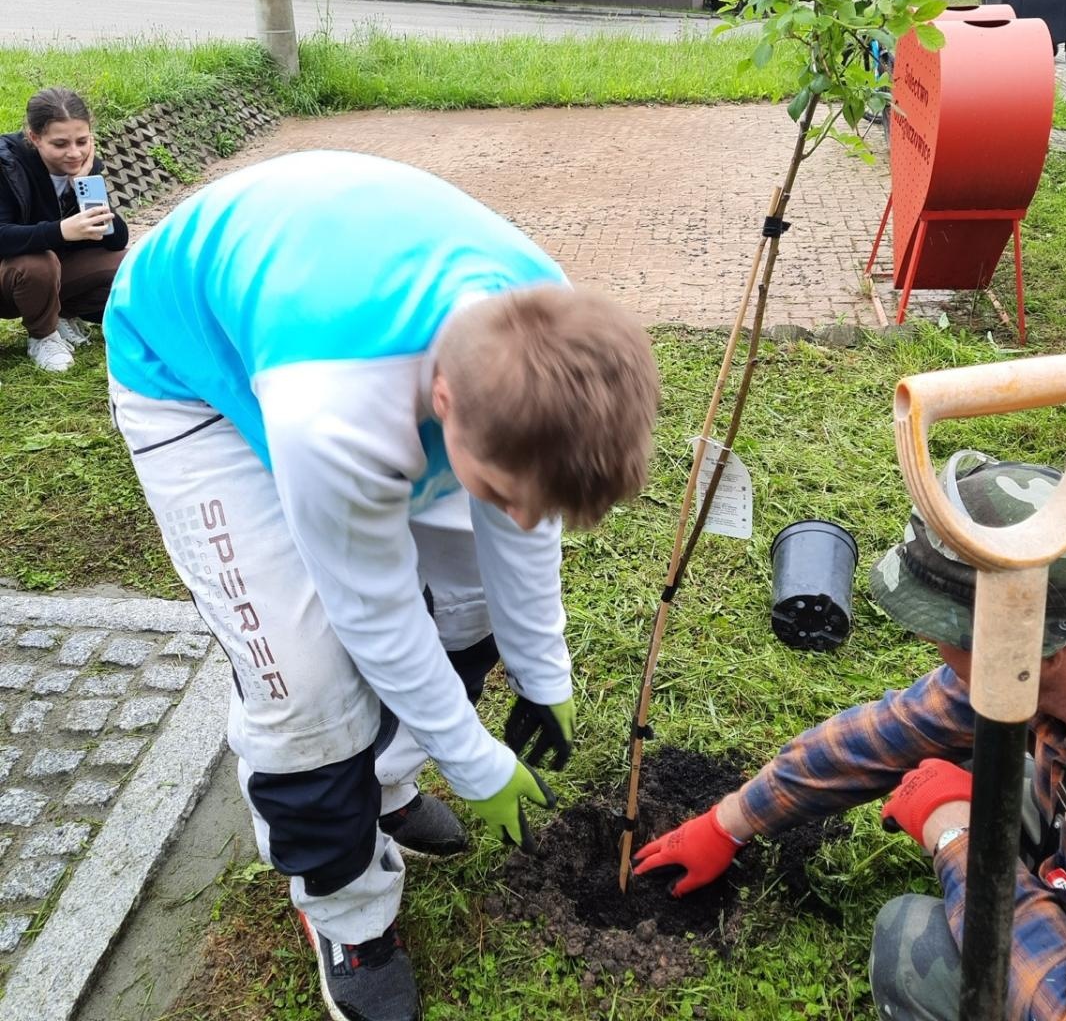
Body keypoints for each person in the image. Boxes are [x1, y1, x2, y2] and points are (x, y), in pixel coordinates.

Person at [103, 150, 660, 1021]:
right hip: (188, 370)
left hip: (328, 311)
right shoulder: (336, 417)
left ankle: (387, 783)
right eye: (496, 487)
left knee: (469, 597)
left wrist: (543, 671)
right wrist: (475, 761)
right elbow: (375, 612)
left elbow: (520, 522)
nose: (515, 513)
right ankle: (347, 911)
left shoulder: (546, 329)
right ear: (443, 397)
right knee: (306, 687)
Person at [634, 451, 1066, 1021]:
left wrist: (957, 838)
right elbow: (896, 730)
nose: (935, 648)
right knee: (999, 772)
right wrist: (729, 822)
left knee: (913, 944)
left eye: (941, 629)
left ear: (1020, 644)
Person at [0, 87, 128, 372]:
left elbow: (115, 239)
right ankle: (43, 337)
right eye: (60, 144)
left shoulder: (83, 166)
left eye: (82, 141)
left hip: (55, 275)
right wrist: (60, 231)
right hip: (10, 278)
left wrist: (85, 186)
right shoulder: (6, 164)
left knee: (128, 263)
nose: (74, 153)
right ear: (35, 138)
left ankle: (63, 314)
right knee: (38, 263)